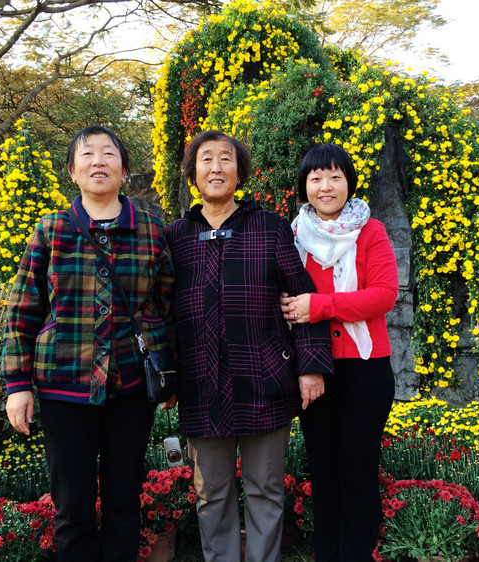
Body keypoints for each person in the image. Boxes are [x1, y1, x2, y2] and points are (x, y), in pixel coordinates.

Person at [2, 124, 174, 562]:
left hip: (131, 390)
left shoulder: (152, 233)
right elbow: (23, 310)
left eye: (109, 154)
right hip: (64, 387)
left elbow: (165, 308)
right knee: (72, 504)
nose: (99, 161)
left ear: (125, 170)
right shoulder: (51, 230)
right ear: (73, 171)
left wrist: (170, 373)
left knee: (123, 497)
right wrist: (17, 384)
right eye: (88, 154)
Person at [164, 130, 333, 562]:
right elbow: (160, 311)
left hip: (265, 382)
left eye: (226, 159)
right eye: (206, 160)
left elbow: (301, 299)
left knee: (265, 490)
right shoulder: (176, 236)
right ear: (192, 173)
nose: (216, 167)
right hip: (201, 383)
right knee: (211, 493)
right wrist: (167, 378)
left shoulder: (270, 227)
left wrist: (309, 367)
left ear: (240, 172)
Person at [280, 143, 399, 561]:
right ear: (304, 185)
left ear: (349, 182)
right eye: (316, 178)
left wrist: (319, 306)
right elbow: (284, 298)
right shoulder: (292, 236)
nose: (325, 186)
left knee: (357, 465)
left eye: (335, 176)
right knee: (323, 467)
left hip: (366, 369)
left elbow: (384, 295)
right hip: (314, 369)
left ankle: (357, 552)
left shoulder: (371, 232)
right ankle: (326, 553)